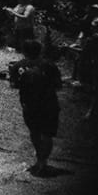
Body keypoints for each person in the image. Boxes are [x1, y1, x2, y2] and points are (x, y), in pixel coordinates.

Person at [10, 40, 62, 176]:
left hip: (29, 105)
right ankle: (43, 161)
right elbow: (58, 85)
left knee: (35, 132)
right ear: (40, 51)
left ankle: (39, 159)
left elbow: (14, 85)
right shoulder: (50, 65)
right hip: (49, 104)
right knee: (47, 134)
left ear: (24, 51)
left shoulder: (17, 66)